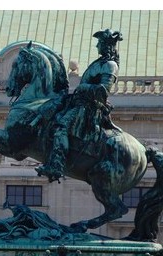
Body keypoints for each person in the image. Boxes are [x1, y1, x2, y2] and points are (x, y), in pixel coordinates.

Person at [35, 29, 123, 182]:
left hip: (89, 108)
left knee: (60, 127)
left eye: (100, 43)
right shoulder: (99, 63)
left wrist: (83, 88)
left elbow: (104, 90)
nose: (97, 46)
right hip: (78, 102)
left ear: (107, 46)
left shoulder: (110, 65)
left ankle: (56, 165)